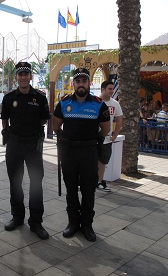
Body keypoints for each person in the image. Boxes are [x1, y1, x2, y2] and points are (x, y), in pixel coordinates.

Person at [52, 68, 110, 242]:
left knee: (88, 190)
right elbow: (55, 126)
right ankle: (72, 223)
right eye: (78, 81)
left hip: (89, 153)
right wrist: (67, 139)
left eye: (84, 81)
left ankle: (87, 225)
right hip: (69, 152)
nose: (81, 84)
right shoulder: (63, 103)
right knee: (71, 190)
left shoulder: (99, 104)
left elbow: (105, 129)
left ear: (89, 83)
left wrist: (91, 140)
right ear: (73, 84)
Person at [0, 62, 50, 240]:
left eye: (26, 74)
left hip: (33, 146)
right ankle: (17, 217)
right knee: (15, 182)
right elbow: (4, 118)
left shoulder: (40, 98)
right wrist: (7, 132)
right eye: (20, 74)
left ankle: (36, 222)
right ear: (16, 77)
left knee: (36, 184)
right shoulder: (8, 98)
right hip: (14, 144)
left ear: (30, 77)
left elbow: (44, 120)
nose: (23, 77)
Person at [97, 80, 123, 192]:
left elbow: (119, 120)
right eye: (110, 89)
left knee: (103, 161)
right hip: (94, 138)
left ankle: (99, 182)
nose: (112, 91)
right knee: (90, 160)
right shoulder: (95, 102)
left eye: (113, 89)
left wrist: (115, 135)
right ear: (103, 89)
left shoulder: (115, 104)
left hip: (107, 139)